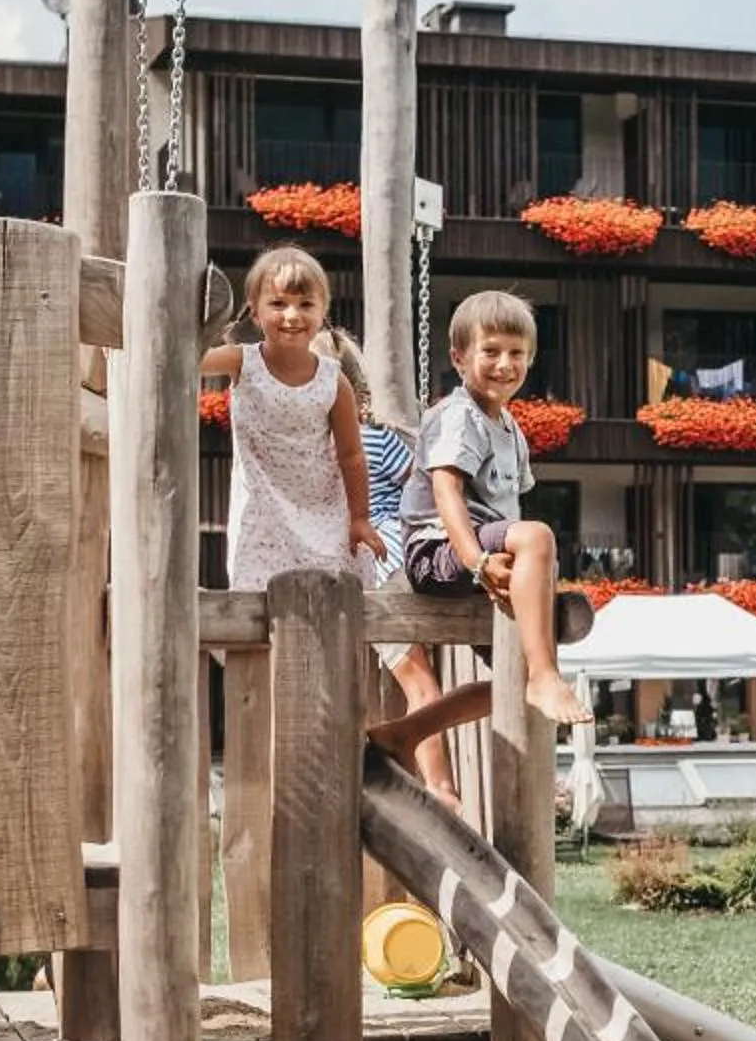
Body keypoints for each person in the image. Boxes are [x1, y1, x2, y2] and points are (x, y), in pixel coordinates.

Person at [405, 290, 592, 726]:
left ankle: (402, 735)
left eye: (517, 354)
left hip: (482, 551)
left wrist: (532, 581)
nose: (505, 364)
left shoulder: (510, 428)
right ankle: (546, 675)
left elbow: (508, 510)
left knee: (514, 678)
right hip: (437, 549)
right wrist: (478, 561)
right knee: (538, 534)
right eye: (491, 352)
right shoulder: (458, 416)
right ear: (458, 357)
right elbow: (445, 492)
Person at [316, 329, 460, 803]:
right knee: (421, 678)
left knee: (415, 680)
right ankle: (437, 782)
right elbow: (419, 486)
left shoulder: (326, 449)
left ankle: (440, 787)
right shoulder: (378, 440)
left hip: (374, 566)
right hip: (400, 554)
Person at [201, 246, 389, 594]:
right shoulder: (242, 362)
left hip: (323, 509)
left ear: (322, 312)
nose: (292, 315)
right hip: (263, 507)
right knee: (258, 597)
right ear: (255, 312)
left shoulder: (334, 381)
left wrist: (360, 517)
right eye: (278, 304)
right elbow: (188, 360)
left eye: (306, 304)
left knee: (331, 599)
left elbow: (351, 455)